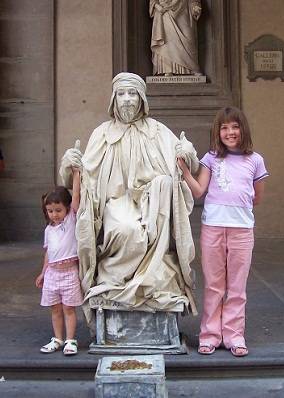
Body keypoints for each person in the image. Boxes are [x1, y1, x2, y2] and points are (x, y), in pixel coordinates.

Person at [59, 72, 199, 331]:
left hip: (152, 202)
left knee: (155, 209)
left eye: (132, 93)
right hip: (117, 201)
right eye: (121, 94)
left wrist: (186, 154)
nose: (126, 100)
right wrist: (70, 163)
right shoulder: (102, 133)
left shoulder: (158, 131)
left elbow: (183, 164)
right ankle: (118, 281)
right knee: (127, 230)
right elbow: (84, 175)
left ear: (142, 99)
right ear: (114, 99)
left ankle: (151, 281)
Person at [177, 106, 269, 357]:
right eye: (224, 127)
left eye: (235, 126)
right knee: (215, 285)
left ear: (243, 130)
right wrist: (185, 171)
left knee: (237, 287)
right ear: (218, 132)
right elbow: (198, 191)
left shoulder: (255, 160)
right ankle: (210, 335)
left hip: (241, 230)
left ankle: (234, 335)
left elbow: (256, 197)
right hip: (213, 229)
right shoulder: (211, 158)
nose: (230, 132)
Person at [35, 165, 83, 355]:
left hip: (69, 272)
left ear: (66, 209)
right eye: (50, 211)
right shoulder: (49, 230)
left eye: (58, 210)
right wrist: (43, 272)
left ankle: (70, 340)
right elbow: (48, 252)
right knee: (55, 309)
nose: (54, 214)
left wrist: (76, 175)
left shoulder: (71, 221)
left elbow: (77, 198)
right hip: (53, 273)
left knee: (68, 308)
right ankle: (57, 338)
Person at [150, 0, 202, 76]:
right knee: (168, 41)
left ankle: (191, 68)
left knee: (188, 38)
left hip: (184, 9)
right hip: (165, 11)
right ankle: (168, 68)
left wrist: (195, 6)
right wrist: (157, 6)